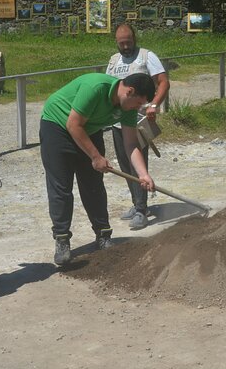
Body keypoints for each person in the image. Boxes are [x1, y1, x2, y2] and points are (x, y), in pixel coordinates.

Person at [39, 72, 156, 266]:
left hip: (89, 129)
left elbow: (131, 143)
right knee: (61, 187)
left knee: (93, 184)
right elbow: (73, 124)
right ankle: (62, 240)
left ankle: (103, 235)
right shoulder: (95, 88)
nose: (137, 108)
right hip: (58, 125)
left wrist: (143, 174)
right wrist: (95, 156)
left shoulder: (127, 105)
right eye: (138, 104)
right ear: (130, 91)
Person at [105, 23, 170, 231]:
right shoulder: (114, 61)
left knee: (137, 163)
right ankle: (136, 203)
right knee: (125, 164)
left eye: (128, 42)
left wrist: (153, 104)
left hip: (138, 120)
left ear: (135, 39)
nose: (125, 47)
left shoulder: (146, 56)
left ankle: (142, 209)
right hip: (117, 121)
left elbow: (163, 82)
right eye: (121, 43)